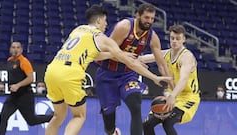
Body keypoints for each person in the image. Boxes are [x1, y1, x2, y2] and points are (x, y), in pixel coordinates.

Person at [44, 5, 171, 135]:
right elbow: (130, 62)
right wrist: (154, 77)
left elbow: (95, 55)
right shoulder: (103, 37)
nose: (106, 24)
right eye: (105, 21)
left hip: (52, 70)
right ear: (99, 20)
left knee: (58, 116)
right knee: (78, 116)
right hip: (76, 73)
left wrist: (119, 54)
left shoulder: (78, 29)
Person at [95, 3, 173, 135]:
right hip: (106, 73)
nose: (149, 21)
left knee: (136, 104)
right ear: (138, 15)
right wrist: (128, 58)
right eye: (146, 18)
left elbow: (162, 64)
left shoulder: (152, 37)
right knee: (108, 120)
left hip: (127, 74)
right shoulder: (124, 27)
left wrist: (173, 89)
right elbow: (105, 52)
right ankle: (112, 131)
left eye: (152, 19)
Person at [140, 24, 200, 135]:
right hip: (172, 97)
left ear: (184, 39)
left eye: (178, 39)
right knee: (146, 124)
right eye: (172, 38)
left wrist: (172, 96)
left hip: (188, 98)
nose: (174, 41)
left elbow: (183, 79)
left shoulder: (187, 57)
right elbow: (144, 58)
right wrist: (135, 61)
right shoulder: (166, 53)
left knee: (167, 122)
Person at [0, 42, 53, 135]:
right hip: (13, 97)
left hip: (25, 96)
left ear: (21, 50)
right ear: (10, 49)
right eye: (13, 47)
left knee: (32, 121)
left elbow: (31, 78)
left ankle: (52, 117)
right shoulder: (9, 60)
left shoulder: (24, 61)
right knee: (3, 117)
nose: (15, 49)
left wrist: (18, 85)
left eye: (18, 47)